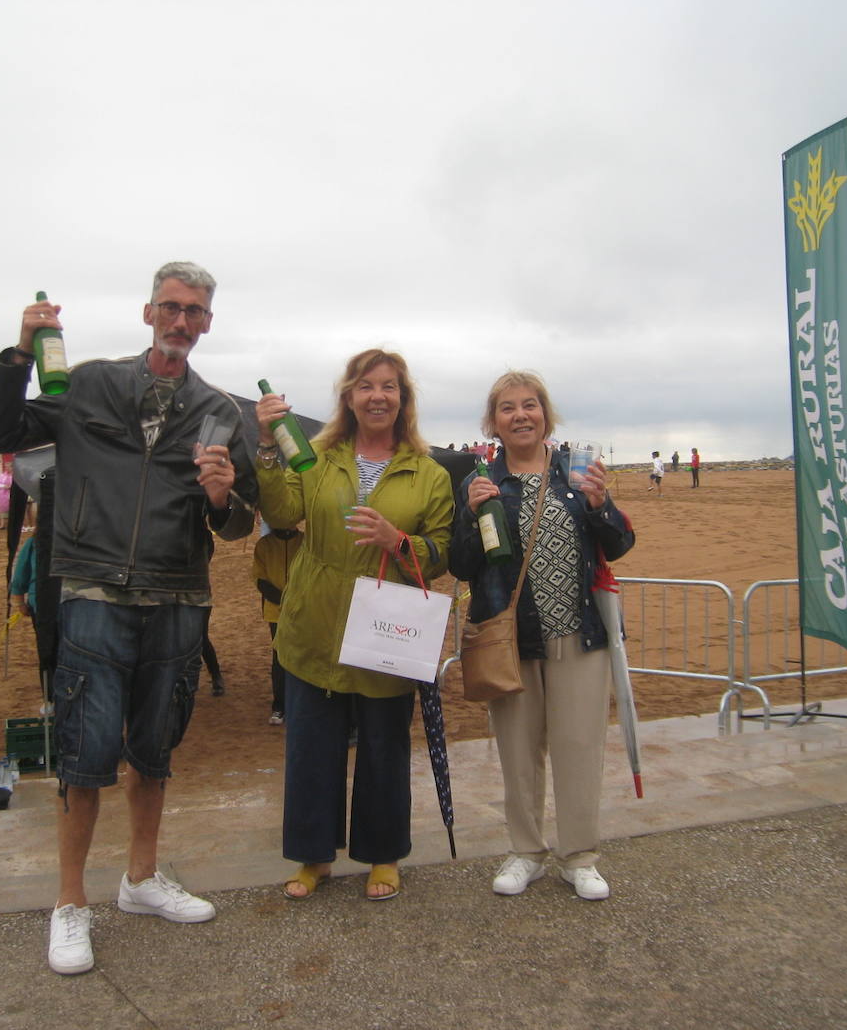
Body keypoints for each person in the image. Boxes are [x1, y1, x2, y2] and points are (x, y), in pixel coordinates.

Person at [0, 260, 257, 977]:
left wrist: (225, 498)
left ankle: (140, 879)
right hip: (95, 589)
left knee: (154, 751)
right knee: (85, 752)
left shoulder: (222, 410)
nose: (181, 321)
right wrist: (18, 354)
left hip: (177, 597)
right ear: (147, 312)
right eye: (171, 306)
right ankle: (71, 902)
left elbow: (236, 526)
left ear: (207, 323)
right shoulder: (89, 383)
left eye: (195, 311)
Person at [255, 349, 452, 902]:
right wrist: (268, 447)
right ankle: (313, 855)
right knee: (312, 748)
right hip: (315, 623)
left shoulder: (428, 471)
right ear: (348, 396)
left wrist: (401, 542)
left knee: (385, 747)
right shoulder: (316, 458)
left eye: (389, 387)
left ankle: (383, 855)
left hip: (388, 628)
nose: (378, 396)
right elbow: (281, 513)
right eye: (366, 386)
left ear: (403, 399)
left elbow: (440, 551)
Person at [450, 370, 635, 900]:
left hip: (579, 637)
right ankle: (526, 852)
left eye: (529, 405)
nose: (520, 415)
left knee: (580, 748)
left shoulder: (577, 474)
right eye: (507, 408)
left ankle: (579, 856)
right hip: (510, 640)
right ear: (493, 423)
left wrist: (602, 506)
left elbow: (620, 543)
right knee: (517, 751)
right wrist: (469, 514)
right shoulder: (479, 481)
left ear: (545, 415)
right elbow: (463, 564)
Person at [252, 516, 304, 725]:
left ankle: (299, 703)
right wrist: (284, 599)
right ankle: (279, 705)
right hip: (275, 611)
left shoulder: (304, 542)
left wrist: (296, 599)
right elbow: (260, 579)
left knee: (301, 656)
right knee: (279, 657)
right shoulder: (264, 545)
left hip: (302, 609)